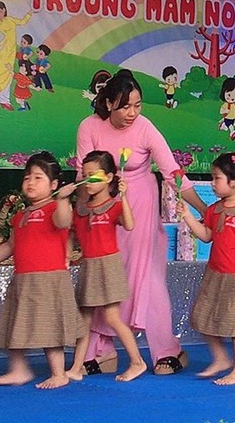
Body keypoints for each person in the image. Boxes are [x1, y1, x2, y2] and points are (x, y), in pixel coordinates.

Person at [76, 69, 208, 375]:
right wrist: (82, 212)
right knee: (105, 273)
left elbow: (173, 173)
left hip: (140, 205)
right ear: (108, 103)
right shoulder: (89, 127)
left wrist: (204, 208)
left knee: (148, 276)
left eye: (137, 105)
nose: (132, 113)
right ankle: (101, 351)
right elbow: (84, 175)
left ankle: (167, 350)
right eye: (125, 106)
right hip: (103, 208)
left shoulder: (145, 127)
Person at [0, 152, 83, 389]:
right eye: (27, 177)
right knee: (14, 324)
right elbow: (10, 245)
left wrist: (63, 200)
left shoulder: (54, 208)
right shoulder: (20, 215)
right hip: (23, 279)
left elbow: (63, 222)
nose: (30, 182)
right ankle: (19, 369)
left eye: (38, 177)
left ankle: (59, 373)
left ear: (54, 185)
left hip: (49, 279)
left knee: (51, 327)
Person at [179, 152, 235, 386]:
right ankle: (221, 359)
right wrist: (187, 216)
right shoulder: (214, 210)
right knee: (201, 316)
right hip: (215, 274)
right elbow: (206, 236)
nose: (212, 183)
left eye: (217, 178)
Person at [66, 151, 147, 383]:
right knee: (84, 320)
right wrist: (67, 255)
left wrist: (124, 197)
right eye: (85, 175)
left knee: (112, 317)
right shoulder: (81, 208)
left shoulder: (113, 205)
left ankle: (137, 362)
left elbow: (129, 225)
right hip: (89, 266)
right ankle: (76, 367)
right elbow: (71, 233)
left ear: (109, 177)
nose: (87, 180)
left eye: (93, 176)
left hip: (109, 265)